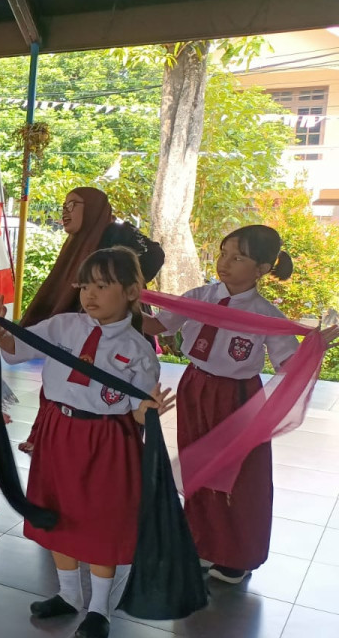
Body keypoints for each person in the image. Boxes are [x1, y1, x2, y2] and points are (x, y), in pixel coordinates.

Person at [0, 247, 174, 638]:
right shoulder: (62, 326)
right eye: (85, 285)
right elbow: (17, 350)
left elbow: (138, 409)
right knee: (59, 514)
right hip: (59, 433)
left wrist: (148, 413)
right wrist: (0, 330)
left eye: (102, 286)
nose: (90, 295)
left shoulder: (140, 352)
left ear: (132, 291)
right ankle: (69, 596)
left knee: (101, 523)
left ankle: (99, 608)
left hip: (107, 441)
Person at [144, 225, 338, 584]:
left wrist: (317, 345)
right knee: (197, 464)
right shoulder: (200, 295)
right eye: (223, 253)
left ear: (263, 268)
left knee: (239, 475)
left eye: (238, 258)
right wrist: (121, 302)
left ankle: (236, 555)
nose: (225, 263)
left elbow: (288, 363)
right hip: (195, 386)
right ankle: (201, 544)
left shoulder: (266, 315)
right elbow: (157, 325)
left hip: (238, 397)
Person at [17, 187, 164, 455]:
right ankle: (45, 434)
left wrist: (117, 281)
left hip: (115, 329)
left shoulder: (114, 234)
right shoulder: (75, 245)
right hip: (80, 327)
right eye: (64, 205)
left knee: (115, 396)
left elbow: (154, 254)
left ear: (94, 209)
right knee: (63, 384)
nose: (65, 211)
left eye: (73, 204)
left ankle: (118, 447)